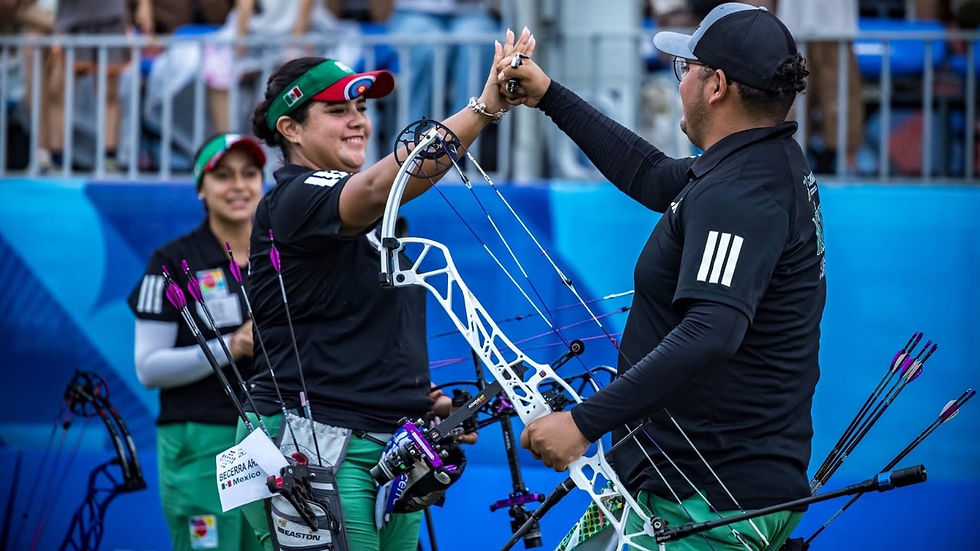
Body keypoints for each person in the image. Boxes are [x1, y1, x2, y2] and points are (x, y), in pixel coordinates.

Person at [503, 4, 824, 550]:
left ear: (716, 84)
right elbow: (652, 177)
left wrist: (583, 424)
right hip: (683, 490)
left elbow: (711, 331)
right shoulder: (752, 161)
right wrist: (548, 94)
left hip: (709, 500)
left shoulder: (743, 192)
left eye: (686, 69)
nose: (681, 83)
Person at [240, 45, 513, 550]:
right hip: (315, 446)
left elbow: (357, 329)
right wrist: (484, 108)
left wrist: (418, 400)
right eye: (337, 110)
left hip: (390, 453)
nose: (358, 122)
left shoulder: (373, 224)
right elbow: (377, 188)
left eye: (362, 109)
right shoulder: (294, 197)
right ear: (291, 129)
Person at [127, 133, 267, 550]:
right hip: (201, 440)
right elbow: (148, 368)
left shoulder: (283, 256)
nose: (238, 186)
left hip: (274, 437)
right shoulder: (171, 262)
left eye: (249, 173)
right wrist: (233, 346)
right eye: (222, 176)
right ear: (201, 189)